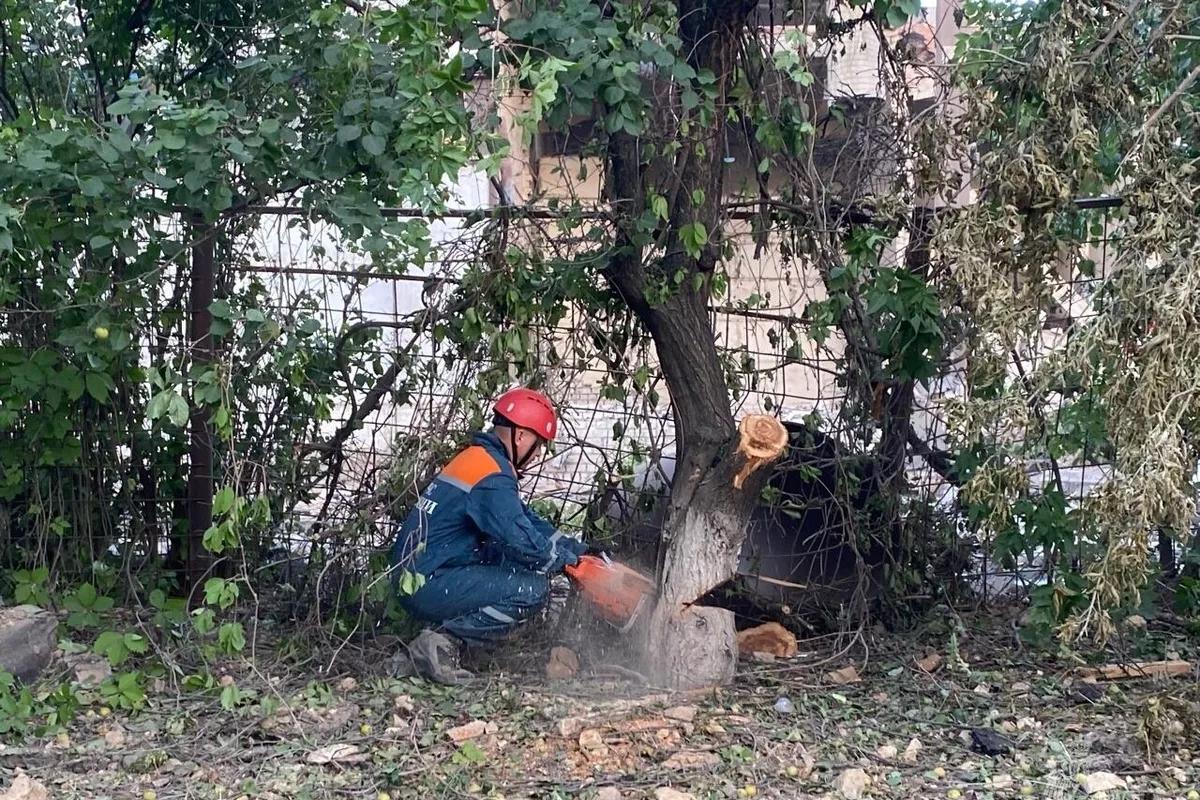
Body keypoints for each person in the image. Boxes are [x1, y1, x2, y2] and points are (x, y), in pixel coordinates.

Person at [389, 387, 592, 683]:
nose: (536, 456)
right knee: (530, 590)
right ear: (520, 436)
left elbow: (524, 520)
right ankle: (440, 644)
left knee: (511, 566)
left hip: (423, 574)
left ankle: (434, 644)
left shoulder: (479, 460)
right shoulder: (493, 476)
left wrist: (577, 548)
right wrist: (564, 563)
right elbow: (521, 539)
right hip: (428, 582)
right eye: (537, 445)